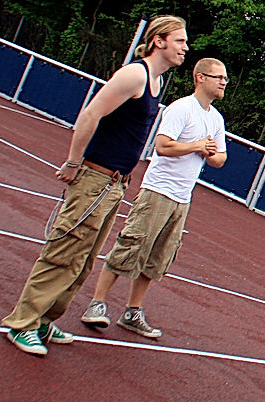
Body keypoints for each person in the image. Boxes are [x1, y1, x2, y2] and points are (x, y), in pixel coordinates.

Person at [1, 16, 189, 356]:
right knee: (64, 252)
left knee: (83, 259)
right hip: (94, 179)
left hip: (113, 185)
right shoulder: (134, 75)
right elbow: (90, 115)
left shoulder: (156, 84)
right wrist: (74, 162)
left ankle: (45, 320)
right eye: (180, 41)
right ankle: (23, 322)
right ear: (160, 40)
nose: (185, 48)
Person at [80, 58, 228, 338]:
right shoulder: (181, 108)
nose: (223, 82)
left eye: (225, 78)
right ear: (200, 78)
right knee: (130, 246)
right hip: (158, 192)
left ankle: (132, 311)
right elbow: (162, 146)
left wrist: (208, 152)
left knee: (158, 257)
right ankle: (96, 303)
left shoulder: (216, 119)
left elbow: (220, 158)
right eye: (218, 77)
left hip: (182, 199)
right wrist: (197, 145)